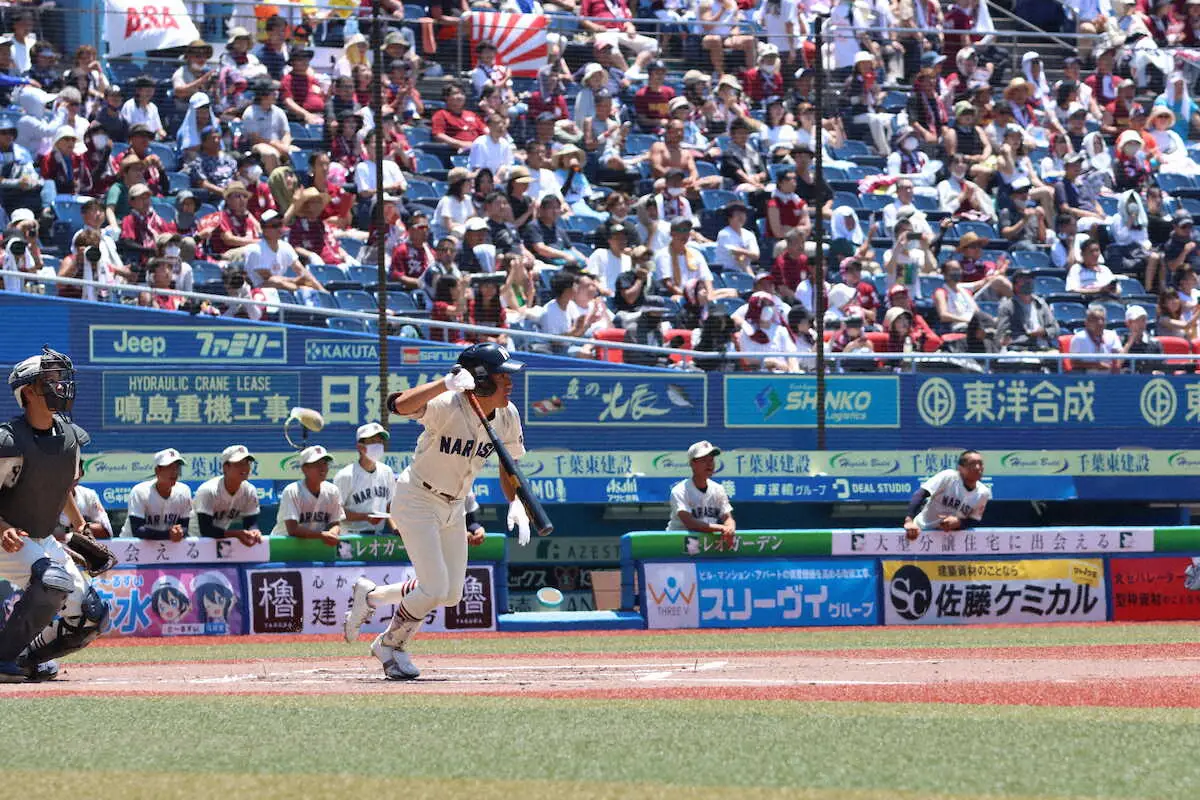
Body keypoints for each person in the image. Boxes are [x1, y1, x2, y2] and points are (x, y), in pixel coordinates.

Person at [343, 343, 531, 680]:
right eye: (503, 376)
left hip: (454, 505)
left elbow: (508, 465)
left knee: (449, 593)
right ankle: (390, 645)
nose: (509, 382)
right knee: (433, 588)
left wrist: (515, 501)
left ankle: (371, 596)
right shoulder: (449, 404)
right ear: (482, 379)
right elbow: (397, 405)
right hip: (417, 498)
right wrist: (445, 383)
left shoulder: (507, 414)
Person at [0, 347, 111, 681]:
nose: (60, 386)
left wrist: (79, 524)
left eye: (59, 379)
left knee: (91, 615)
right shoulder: (8, 440)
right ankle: (3, 659)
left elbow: (62, 488)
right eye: (49, 380)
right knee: (52, 580)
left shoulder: (69, 437)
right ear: (29, 392)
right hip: (8, 539)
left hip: (41, 539)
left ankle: (23, 660)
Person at [903, 450, 991, 539]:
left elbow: (974, 519)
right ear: (960, 468)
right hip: (923, 530)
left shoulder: (983, 493)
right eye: (972, 464)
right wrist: (909, 520)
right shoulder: (949, 477)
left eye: (980, 464)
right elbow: (921, 493)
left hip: (951, 538)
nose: (977, 467)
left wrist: (959, 522)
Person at [666, 440, 735, 548]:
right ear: (692, 464)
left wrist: (730, 528)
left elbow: (727, 518)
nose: (709, 464)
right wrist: (721, 528)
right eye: (704, 460)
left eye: (711, 460)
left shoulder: (718, 489)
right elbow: (690, 523)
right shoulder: (680, 490)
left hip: (705, 545)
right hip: (676, 546)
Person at [334, 423, 397, 536]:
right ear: (360, 446)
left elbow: (389, 506)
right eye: (373, 441)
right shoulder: (345, 475)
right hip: (351, 536)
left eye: (380, 441)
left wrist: (395, 528)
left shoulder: (387, 472)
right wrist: (365, 517)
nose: (378, 445)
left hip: (378, 536)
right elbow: (335, 512)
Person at [192, 445, 262, 546]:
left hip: (219, 539)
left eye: (247, 463)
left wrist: (254, 531)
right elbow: (205, 530)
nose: (244, 467)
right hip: (193, 541)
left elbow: (250, 523)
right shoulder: (209, 490)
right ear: (225, 467)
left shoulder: (249, 491)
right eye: (238, 463)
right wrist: (236, 534)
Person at [272, 445, 343, 545]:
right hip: (283, 547)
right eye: (317, 464)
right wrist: (322, 535)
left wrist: (333, 532)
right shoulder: (292, 491)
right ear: (304, 469)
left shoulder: (333, 491)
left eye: (324, 463)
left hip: (314, 547)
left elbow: (335, 523)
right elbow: (293, 529)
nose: (322, 468)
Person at [123, 448, 192, 541]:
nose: (174, 472)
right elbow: (137, 530)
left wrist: (180, 532)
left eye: (176, 467)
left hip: (167, 547)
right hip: (132, 547)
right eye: (169, 467)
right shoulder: (140, 492)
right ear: (157, 470)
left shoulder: (184, 491)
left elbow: (184, 526)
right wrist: (168, 535)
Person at [996, 270, 1059, 351]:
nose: (1028, 282)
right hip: (1019, 349)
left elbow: (1055, 328)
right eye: (1023, 280)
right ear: (1015, 285)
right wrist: (1027, 335)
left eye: (1030, 279)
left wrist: (1044, 332)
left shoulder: (1041, 304)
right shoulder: (1007, 306)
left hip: (1043, 348)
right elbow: (1002, 333)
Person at [1070, 304, 1123, 373]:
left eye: (1103, 319)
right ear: (1087, 322)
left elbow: (1119, 356)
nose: (1100, 323)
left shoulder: (1112, 335)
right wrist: (1096, 365)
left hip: (1109, 374)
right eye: (1096, 319)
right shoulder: (1079, 338)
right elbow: (1074, 363)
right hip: (1086, 376)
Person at [1121, 304, 1163, 374]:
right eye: (1137, 320)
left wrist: (1156, 372)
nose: (1141, 324)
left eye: (1143, 320)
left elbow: (1162, 369)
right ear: (1128, 323)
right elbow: (1117, 365)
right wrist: (1130, 342)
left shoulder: (1155, 343)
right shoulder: (1121, 341)